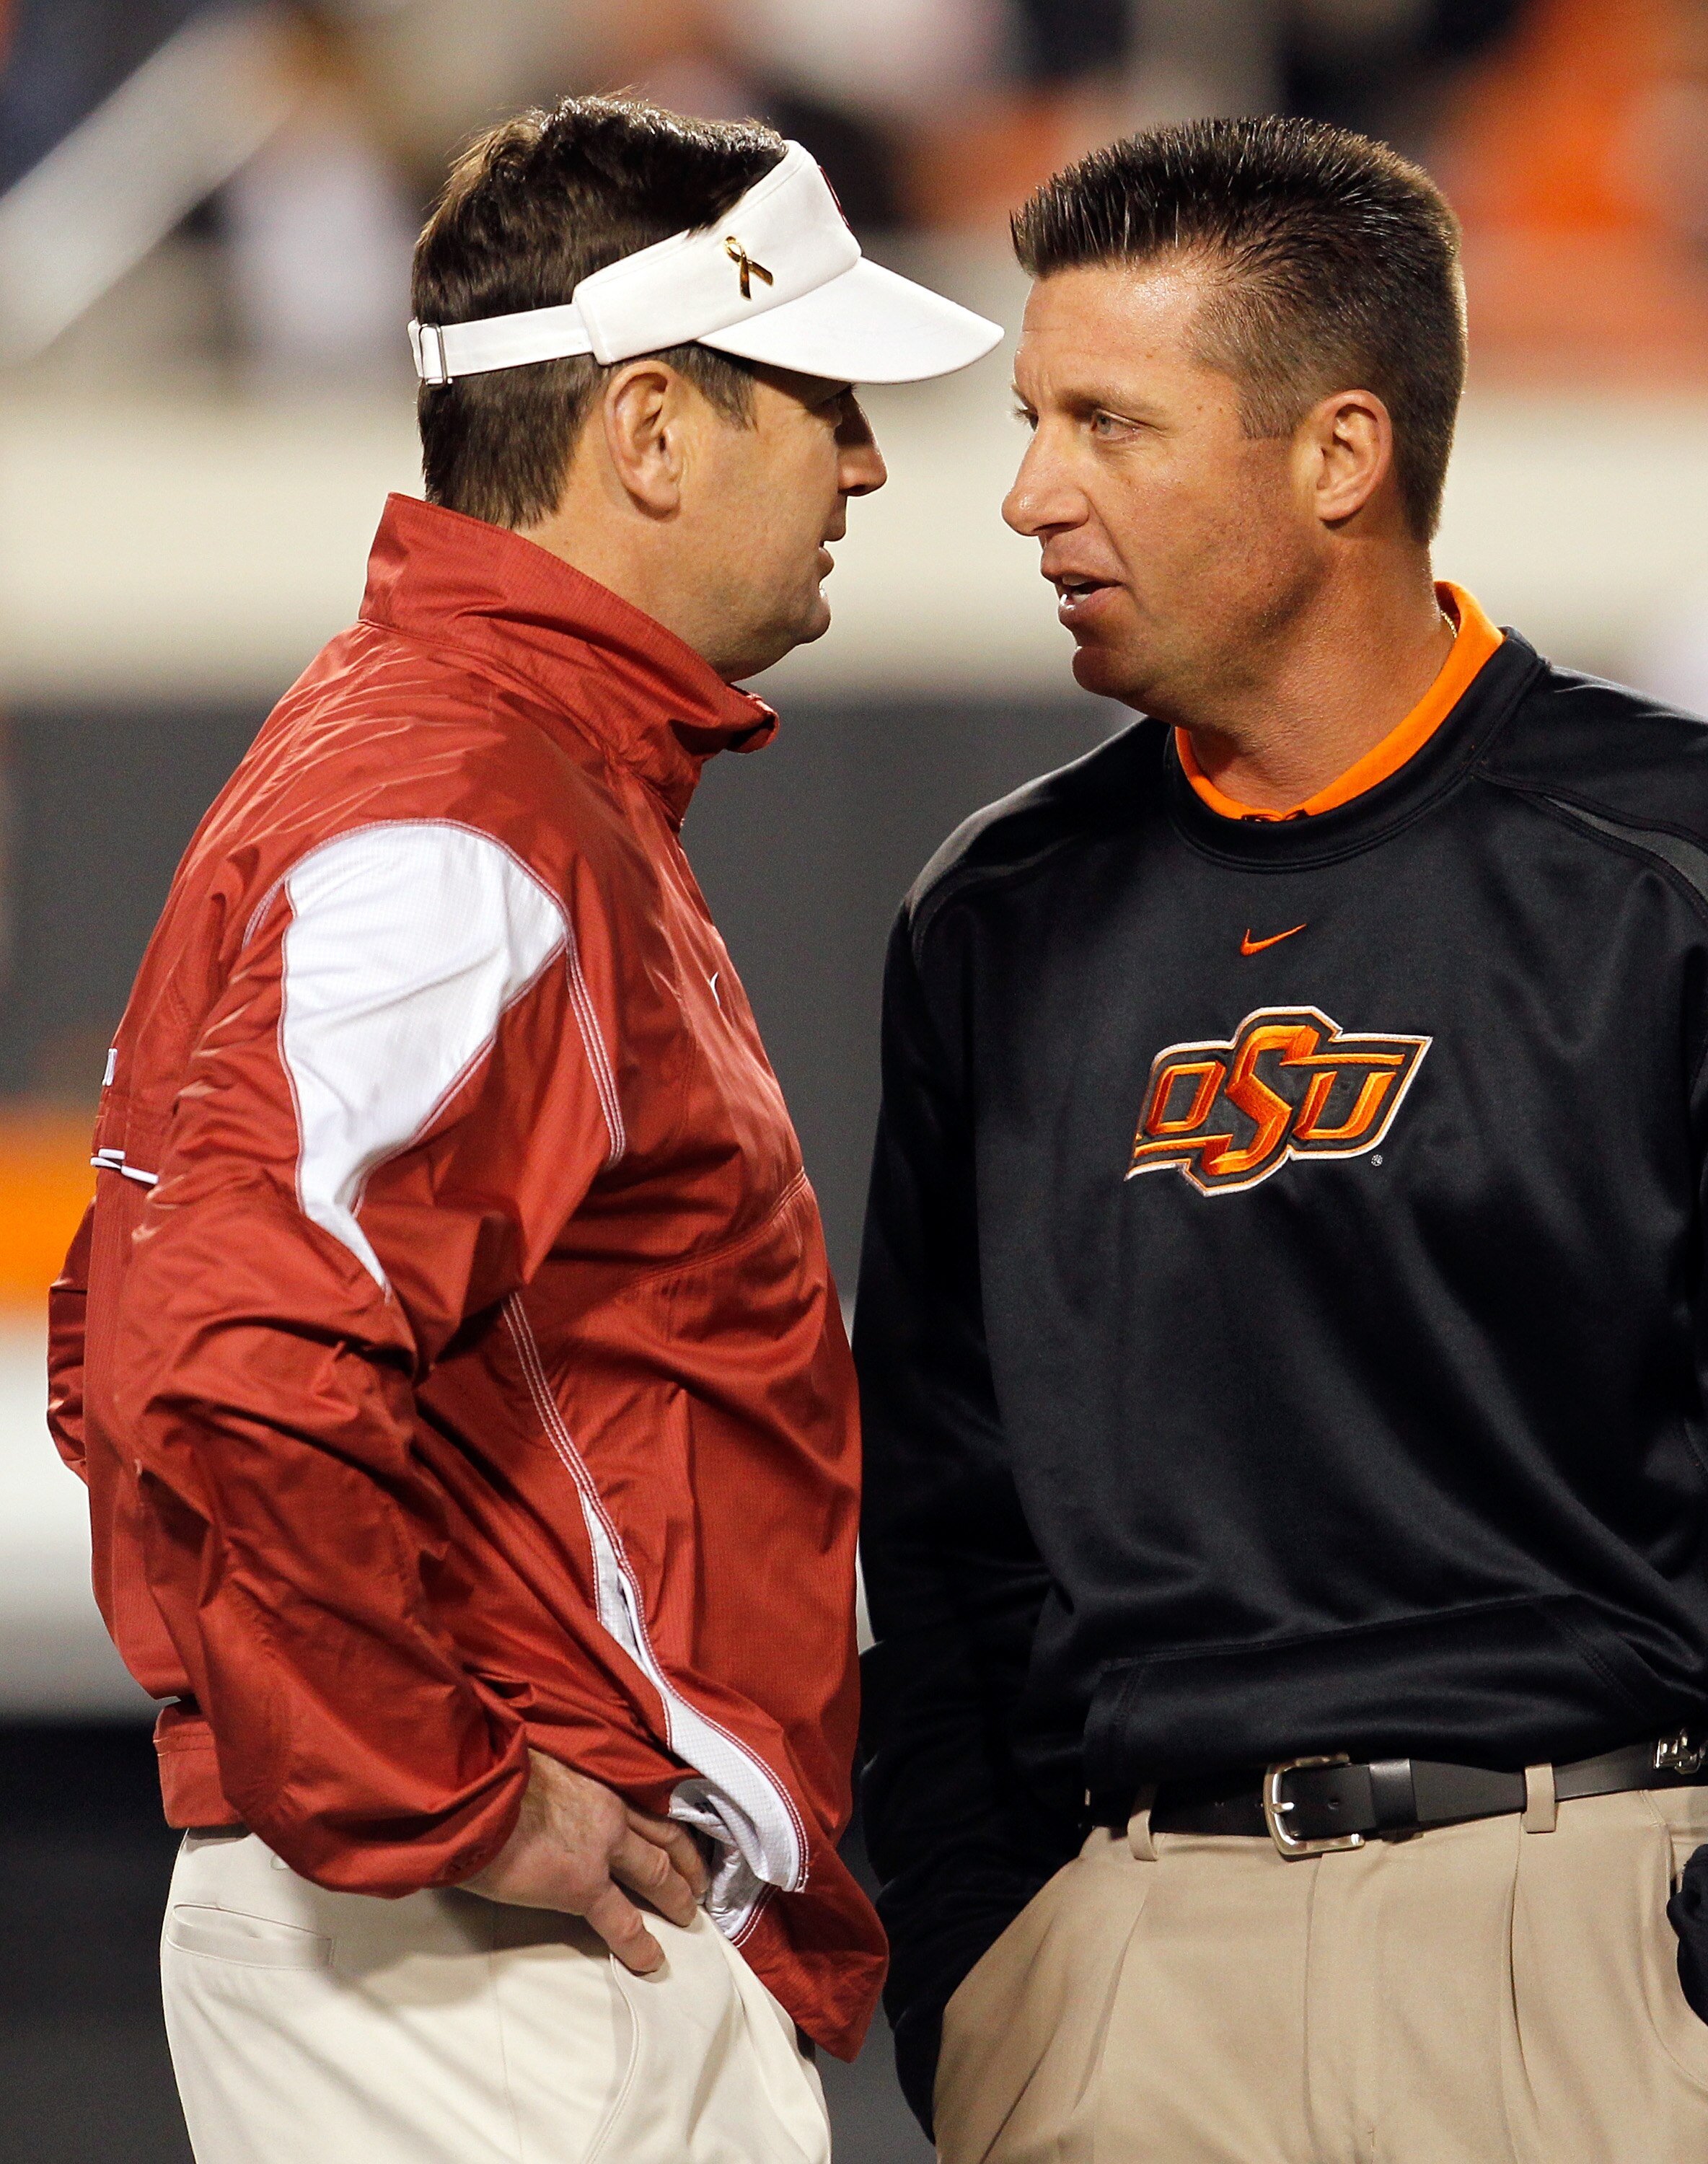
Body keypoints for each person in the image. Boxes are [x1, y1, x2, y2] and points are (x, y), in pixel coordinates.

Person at [854, 116, 1708, 2164]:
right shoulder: (991, 916)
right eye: (1034, 420)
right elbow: (943, 1535)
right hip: (1121, 1969)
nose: (1031, 496)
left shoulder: (1705, 867)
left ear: (1337, 455)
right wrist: (983, 1983)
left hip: (1578, 1954)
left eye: (1110, 423)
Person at [45, 96, 996, 2164]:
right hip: (493, 1966)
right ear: (647, 430)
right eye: (815, 395)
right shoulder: (457, 803)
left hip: (506, 1944)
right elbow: (213, 1358)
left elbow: (146, 1329)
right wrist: (457, 1792)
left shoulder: (478, 768)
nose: (864, 458)